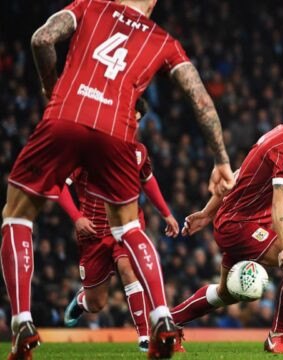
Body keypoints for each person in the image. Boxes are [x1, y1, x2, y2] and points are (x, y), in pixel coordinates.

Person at [1, 1, 233, 358]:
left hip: (67, 112)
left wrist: (52, 88)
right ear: (153, 3)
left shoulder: (89, 6)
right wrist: (221, 159)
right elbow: (199, 98)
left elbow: (41, 39)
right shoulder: (164, 40)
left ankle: (21, 322)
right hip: (117, 131)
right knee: (130, 228)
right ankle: (162, 318)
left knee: (17, 214)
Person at [169, 86, 283, 354]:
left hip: (234, 221)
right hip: (241, 226)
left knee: (227, 293)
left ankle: (169, 323)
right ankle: (278, 335)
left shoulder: (276, 134)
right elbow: (279, 207)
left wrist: (206, 213)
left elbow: (236, 176)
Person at [58, 100, 180, 353]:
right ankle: (82, 301)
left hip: (127, 225)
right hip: (93, 233)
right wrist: (76, 218)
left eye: (136, 119)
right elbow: (58, 185)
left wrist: (167, 213)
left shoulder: (138, 151)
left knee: (128, 268)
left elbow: (148, 181)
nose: (132, 124)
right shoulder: (89, 149)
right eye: (128, 117)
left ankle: (144, 338)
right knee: (97, 303)